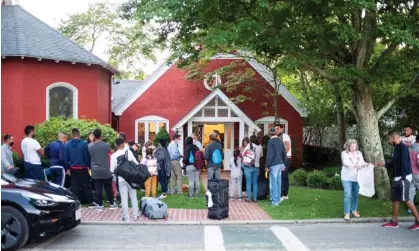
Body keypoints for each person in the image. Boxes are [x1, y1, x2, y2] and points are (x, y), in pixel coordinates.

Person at [382, 131, 419, 231]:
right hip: (398, 178)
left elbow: (405, 164)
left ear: (394, 138)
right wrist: (383, 165)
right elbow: (395, 162)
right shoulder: (397, 148)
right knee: (395, 199)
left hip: (403, 177)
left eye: (390, 139)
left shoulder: (402, 148)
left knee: (406, 199)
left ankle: (418, 221)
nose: (389, 141)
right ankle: (394, 222)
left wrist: (403, 178)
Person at [340, 139, 371, 221]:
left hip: (357, 177)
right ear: (348, 146)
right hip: (346, 177)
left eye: (355, 146)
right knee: (347, 194)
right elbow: (345, 163)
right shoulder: (344, 153)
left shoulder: (359, 153)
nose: (354, 148)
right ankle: (346, 213)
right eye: (352, 146)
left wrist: (367, 164)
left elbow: (362, 162)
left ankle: (354, 210)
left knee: (356, 195)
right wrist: (354, 165)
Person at [110, 137, 139, 221]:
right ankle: (135, 215)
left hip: (121, 178)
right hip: (131, 178)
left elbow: (112, 170)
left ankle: (126, 216)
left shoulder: (113, 156)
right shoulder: (129, 152)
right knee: (133, 196)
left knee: (124, 198)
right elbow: (136, 163)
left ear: (116, 145)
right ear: (123, 144)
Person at [65, 128, 95, 208]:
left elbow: (66, 158)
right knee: (86, 185)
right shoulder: (84, 144)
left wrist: (67, 168)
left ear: (72, 134)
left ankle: (76, 203)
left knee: (74, 186)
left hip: (73, 168)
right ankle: (91, 202)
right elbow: (87, 157)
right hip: (83, 167)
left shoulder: (67, 144)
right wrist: (89, 166)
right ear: (79, 134)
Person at [88, 129, 116, 211]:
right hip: (105, 169)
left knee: (98, 188)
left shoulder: (90, 146)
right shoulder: (106, 145)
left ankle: (100, 205)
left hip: (95, 170)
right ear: (101, 135)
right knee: (108, 187)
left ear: (93, 136)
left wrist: (91, 141)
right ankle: (112, 204)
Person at [265, 128, 287, 206]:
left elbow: (270, 155)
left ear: (269, 134)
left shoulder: (271, 142)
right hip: (280, 164)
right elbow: (284, 153)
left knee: (274, 183)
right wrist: (284, 163)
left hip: (274, 164)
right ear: (276, 133)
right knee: (278, 182)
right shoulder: (280, 141)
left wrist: (267, 165)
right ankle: (278, 199)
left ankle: (275, 201)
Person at [242, 135, 263, 203]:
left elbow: (243, 154)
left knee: (248, 182)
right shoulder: (260, 146)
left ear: (250, 140)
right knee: (255, 183)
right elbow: (261, 155)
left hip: (249, 165)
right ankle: (255, 198)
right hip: (256, 165)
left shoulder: (249, 145)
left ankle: (248, 198)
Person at [276, 124, 292, 200]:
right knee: (284, 176)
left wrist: (283, 156)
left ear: (282, 129)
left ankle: (283, 194)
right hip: (284, 159)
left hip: (286, 159)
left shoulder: (285, 136)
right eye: (276, 129)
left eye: (278, 129)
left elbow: (288, 146)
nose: (277, 130)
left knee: (283, 176)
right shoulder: (280, 137)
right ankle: (284, 194)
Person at [408, 135, 419, 212]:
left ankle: (410, 208)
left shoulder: (409, 148)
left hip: (409, 172)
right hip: (417, 173)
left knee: (411, 191)